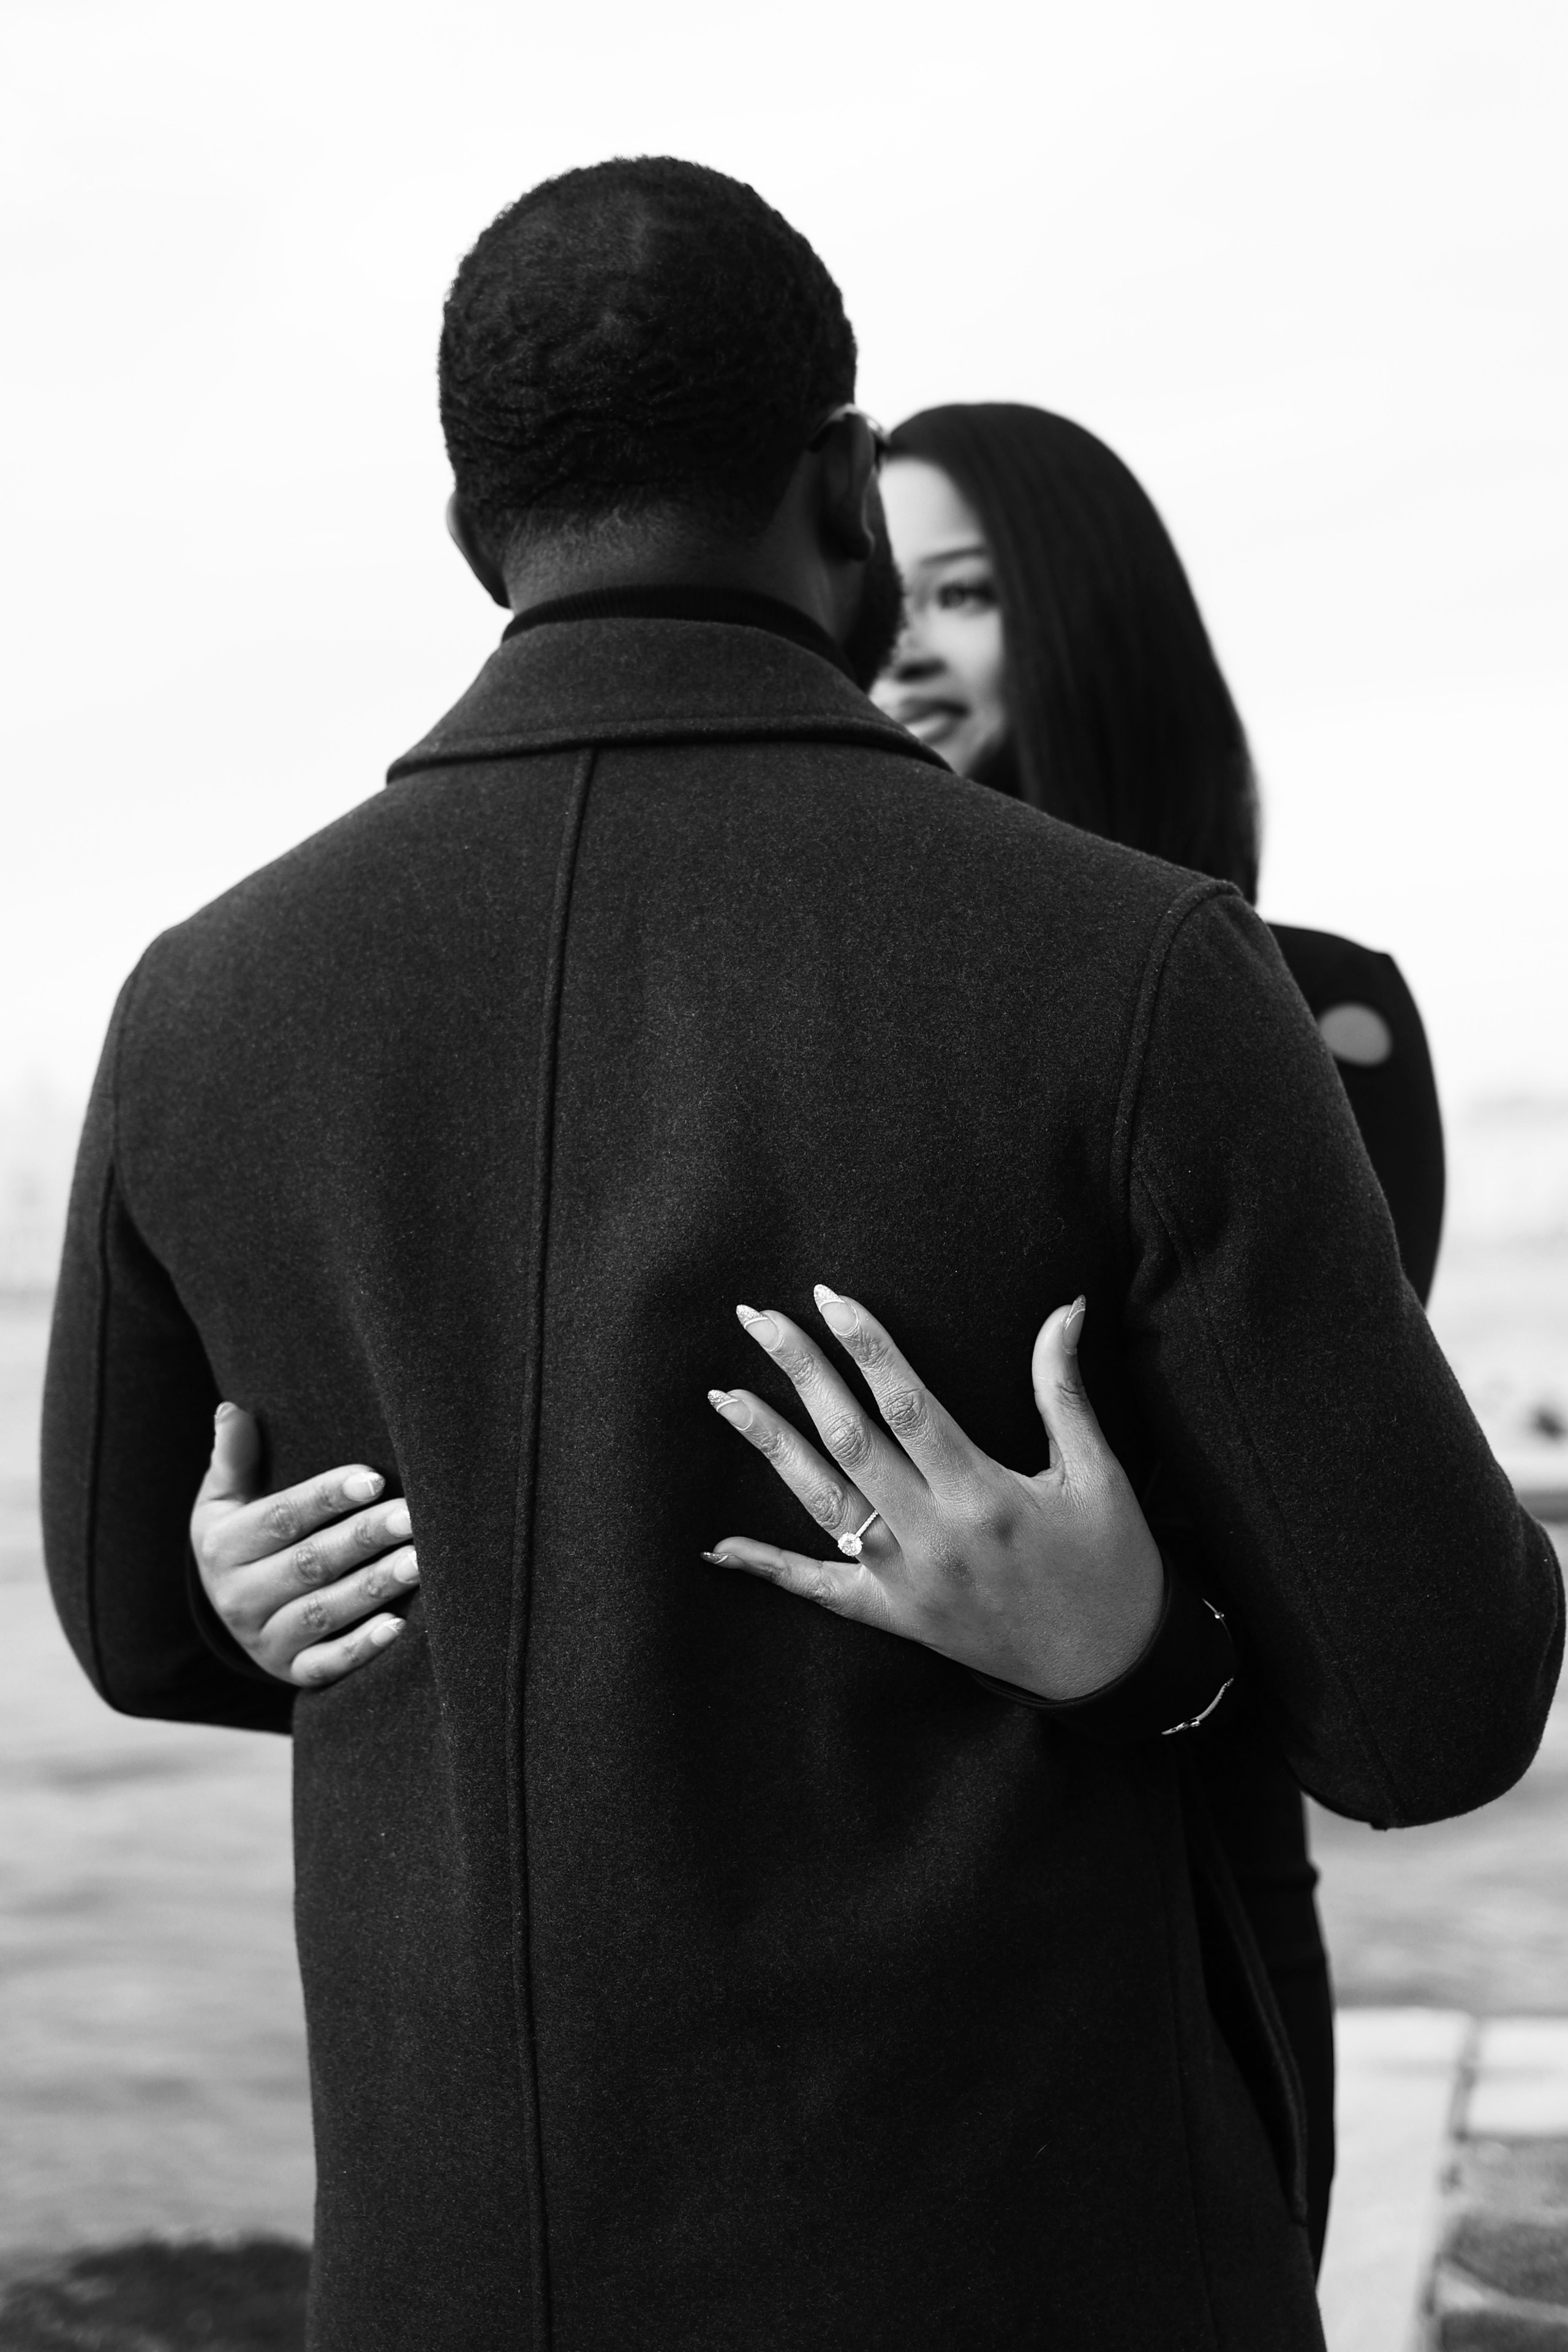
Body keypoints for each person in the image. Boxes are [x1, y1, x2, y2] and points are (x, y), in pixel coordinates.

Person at [42, 158, 1561, 2352]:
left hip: (461, 2266)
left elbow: (135, 1624)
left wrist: (285, 1589)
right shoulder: (1134, 975)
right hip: (1040, 2247)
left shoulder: (200, 1000)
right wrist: (1158, 1658)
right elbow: (1435, 1705)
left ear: (473, 517)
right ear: (839, 486)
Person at [869, 401, 1449, 2264]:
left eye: (964, 592)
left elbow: (1317, 1554)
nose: (901, 640)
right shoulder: (785, 1024)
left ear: (1089, 620)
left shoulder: (1321, 1020)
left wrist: (1134, 1643)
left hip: (1173, 1886)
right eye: (874, 589)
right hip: (828, 1894)